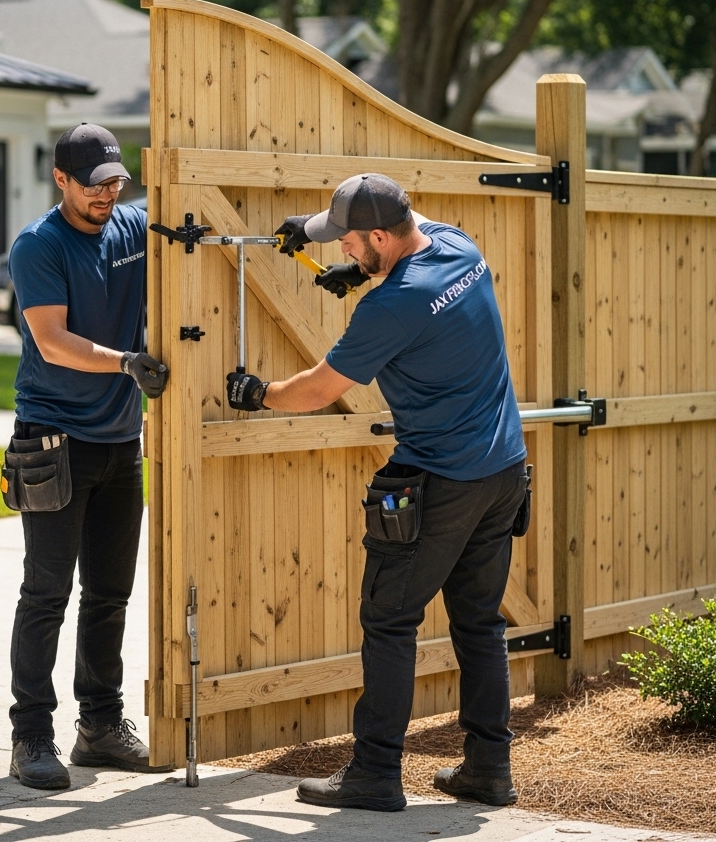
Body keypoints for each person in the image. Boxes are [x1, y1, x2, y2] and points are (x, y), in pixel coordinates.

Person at [226, 173, 528, 812]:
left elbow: (316, 389)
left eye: (349, 244)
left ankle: (374, 774)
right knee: (479, 622)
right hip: (503, 471)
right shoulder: (456, 245)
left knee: (389, 620)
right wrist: (313, 233)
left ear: (381, 236)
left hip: (441, 479)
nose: (341, 254)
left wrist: (258, 395)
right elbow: (394, 253)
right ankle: (489, 770)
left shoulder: (391, 306)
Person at [5, 122, 169, 790]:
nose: (108, 194)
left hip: (119, 442)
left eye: (116, 182)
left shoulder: (131, 228)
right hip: (53, 440)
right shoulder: (38, 246)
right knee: (47, 594)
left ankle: (100, 726)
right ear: (61, 180)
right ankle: (31, 738)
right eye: (95, 184)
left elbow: (192, 219)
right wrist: (129, 362)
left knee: (111, 594)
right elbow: (52, 341)